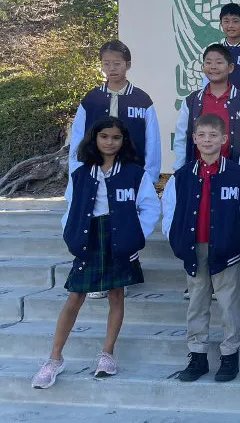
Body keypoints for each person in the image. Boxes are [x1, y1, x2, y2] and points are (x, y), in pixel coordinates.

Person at [32, 117, 159, 389]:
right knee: (75, 295)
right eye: (104, 137)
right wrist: (72, 234)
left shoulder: (134, 173)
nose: (110, 142)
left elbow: (150, 207)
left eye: (116, 137)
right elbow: (71, 208)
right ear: (95, 138)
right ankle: (54, 358)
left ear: (123, 141)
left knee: (116, 294)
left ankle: (107, 354)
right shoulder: (81, 174)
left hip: (120, 238)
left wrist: (134, 235)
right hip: (89, 238)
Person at [162, 113, 240, 383]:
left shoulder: (238, 175)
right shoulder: (181, 176)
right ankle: (198, 355)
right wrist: (175, 238)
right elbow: (170, 210)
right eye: (201, 135)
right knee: (197, 303)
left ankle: (230, 355)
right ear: (194, 139)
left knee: (228, 304)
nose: (207, 140)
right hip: (194, 249)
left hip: (225, 250)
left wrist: (238, 237)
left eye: (213, 135)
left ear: (224, 139)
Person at [67, 41, 160, 299]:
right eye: (106, 63)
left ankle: (124, 273)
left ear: (127, 64)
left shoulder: (141, 99)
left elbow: (152, 139)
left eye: (117, 63)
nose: (112, 68)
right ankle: (97, 277)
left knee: (125, 218)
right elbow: (78, 135)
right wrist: (76, 169)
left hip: (129, 171)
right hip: (96, 169)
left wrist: (150, 174)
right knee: (97, 217)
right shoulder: (92, 99)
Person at [173, 44, 240, 172]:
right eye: (208, 62)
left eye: (219, 62)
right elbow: (181, 138)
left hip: (231, 174)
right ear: (203, 67)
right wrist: (180, 171)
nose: (213, 67)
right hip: (197, 173)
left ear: (230, 67)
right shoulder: (192, 101)